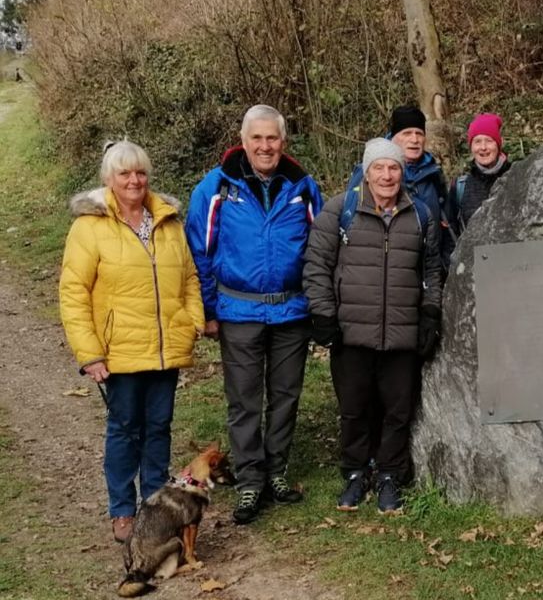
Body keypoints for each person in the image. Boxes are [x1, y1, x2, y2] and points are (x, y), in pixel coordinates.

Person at [185, 104, 324, 525]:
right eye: (257, 138)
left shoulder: (303, 187)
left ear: (284, 141)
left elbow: (319, 251)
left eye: (273, 138)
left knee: (285, 397)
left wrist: (318, 305)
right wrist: (209, 310)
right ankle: (250, 480)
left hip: (291, 311)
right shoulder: (215, 188)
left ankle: (276, 471)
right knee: (244, 400)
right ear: (243, 141)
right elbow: (200, 252)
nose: (265, 146)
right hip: (238, 309)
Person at [60, 141, 204, 543]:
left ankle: (155, 508)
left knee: (159, 428)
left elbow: (190, 278)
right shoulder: (89, 227)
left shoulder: (168, 221)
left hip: (165, 349)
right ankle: (122, 511)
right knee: (125, 431)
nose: (134, 180)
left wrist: (190, 320)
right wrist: (89, 353)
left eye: (139, 172)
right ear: (109, 178)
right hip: (119, 352)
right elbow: (74, 293)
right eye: (124, 173)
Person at [304, 138, 443, 513]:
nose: (387, 175)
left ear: (403, 173)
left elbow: (431, 269)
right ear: (366, 173)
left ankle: (389, 475)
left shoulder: (421, 214)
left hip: (402, 332)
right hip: (351, 332)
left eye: (394, 168)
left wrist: (430, 311)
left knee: (398, 410)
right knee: (354, 408)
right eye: (379, 168)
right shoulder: (339, 211)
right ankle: (354, 472)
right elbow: (316, 265)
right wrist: (323, 313)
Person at [346, 106, 450, 266]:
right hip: (381, 270)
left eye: (419, 134)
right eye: (407, 133)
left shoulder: (434, 174)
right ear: (393, 137)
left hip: (428, 269)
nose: (414, 140)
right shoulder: (370, 172)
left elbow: (445, 224)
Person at [442, 112, 513, 253]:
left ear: (499, 143)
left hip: (515, 266)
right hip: (473, 269)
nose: (483, 147)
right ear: (471, 146)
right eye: (477, 141)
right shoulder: (460, 187)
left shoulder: (517, 178)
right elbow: (450, 236)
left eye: (489, 140)